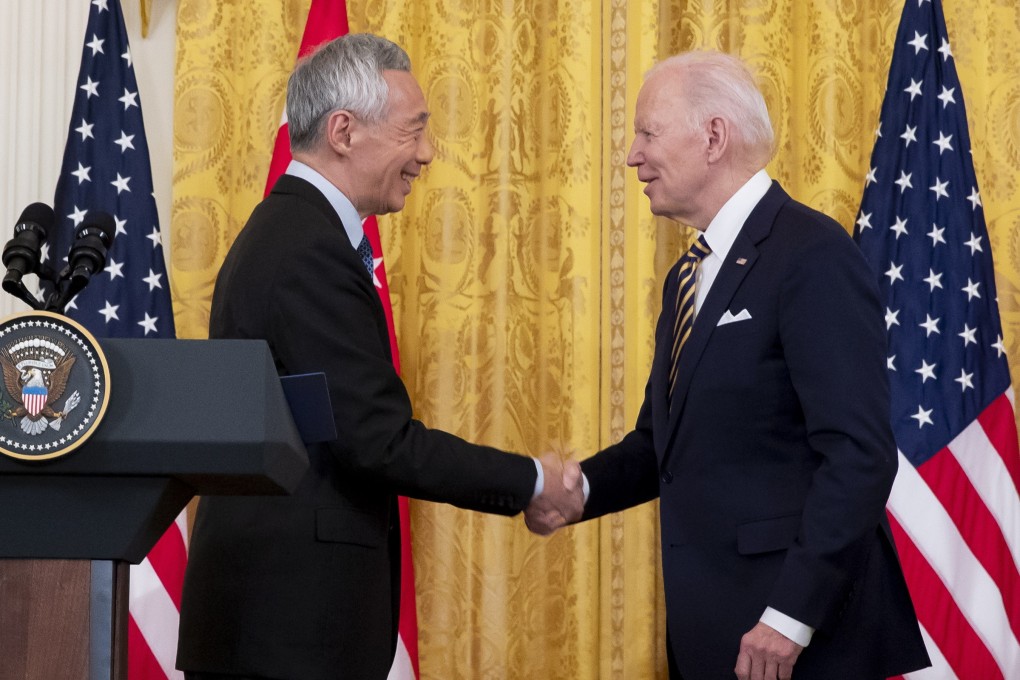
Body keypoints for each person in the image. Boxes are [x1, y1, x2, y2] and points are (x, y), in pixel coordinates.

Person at [176, 34, 583, 680]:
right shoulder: (306, 249)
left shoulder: (291, 234)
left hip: (280, 629)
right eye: (413, 131)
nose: (426, 153)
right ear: (343, 131)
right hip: (289, 636)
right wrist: (532, 481)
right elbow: (377, 441)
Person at [526, 51, 930, 680]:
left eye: (647, 133)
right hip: (714, 635)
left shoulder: (811, 255)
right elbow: (661, 445)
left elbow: (859, 454)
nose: (632, 155)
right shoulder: (686, 277)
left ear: (713, 136)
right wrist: (576, 491)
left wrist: (790, 619)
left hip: (797, 644)